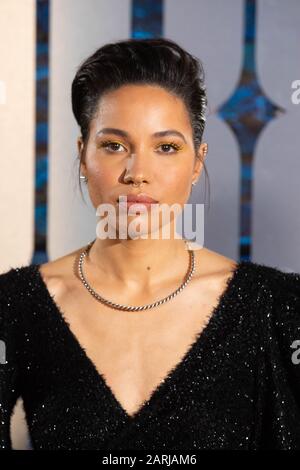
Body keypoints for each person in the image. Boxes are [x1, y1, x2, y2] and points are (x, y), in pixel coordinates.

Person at [1, 37, 300, 451]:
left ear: (197, 162)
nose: (137, 172)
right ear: (82, 155)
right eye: (114, 145)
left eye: (165, 147)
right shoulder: (16, 306)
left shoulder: (276, 309)